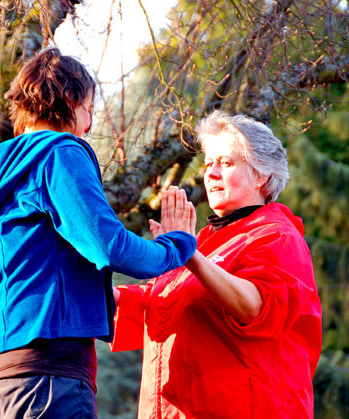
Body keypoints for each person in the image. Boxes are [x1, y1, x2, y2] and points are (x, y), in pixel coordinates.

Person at [0, 48, 196, 419]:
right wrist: (175, 247)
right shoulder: (60, 152)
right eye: (90, 111)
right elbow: (108, 245)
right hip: (40, 375)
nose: (88, 126)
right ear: (70, 99)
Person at [111, 110, 322, 418]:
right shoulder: (204, 242)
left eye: (226, 163)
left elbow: (254, 306)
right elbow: (160, 306)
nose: (210, 174)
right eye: (209, 163)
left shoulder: (278, 235)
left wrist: (188, 254)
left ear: (262, 175)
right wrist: (100, 288)